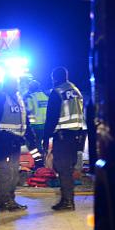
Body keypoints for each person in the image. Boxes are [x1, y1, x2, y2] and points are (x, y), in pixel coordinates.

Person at [0, 76, 37, 211]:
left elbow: (24, 119)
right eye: (14, 82)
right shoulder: (0, 97)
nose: (16, 84)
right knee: (5, 171)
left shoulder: (18, 97)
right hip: (4, 141)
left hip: (15, 141)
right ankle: (4, 201)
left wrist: (31, 136)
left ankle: (11, 199)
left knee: (14, 171)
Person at [43, 66, 87, 211]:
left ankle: (67, 202)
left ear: (55, 78)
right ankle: (68, 199)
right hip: (77, 135)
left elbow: (51, 118)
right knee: (68, 168)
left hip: (63, 135)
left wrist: (46, 138)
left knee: (63, 169)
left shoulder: (57, 92)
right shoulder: (76, 91)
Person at [24, 78, 49, 164]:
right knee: (41, 143)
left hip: (35, 125)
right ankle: (44, 160)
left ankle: (39, 162)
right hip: (45, 124)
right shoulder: (45, 96)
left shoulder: (30, 97)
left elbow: (28, 109)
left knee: (33, 144)